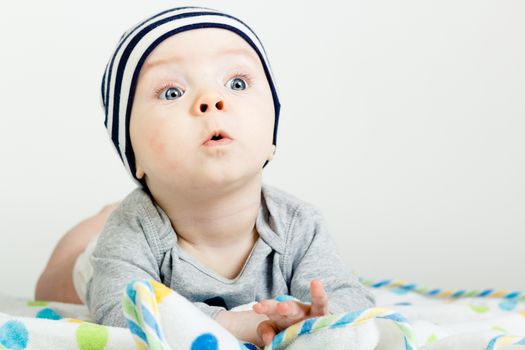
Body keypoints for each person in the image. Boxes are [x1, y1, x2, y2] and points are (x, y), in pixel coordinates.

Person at [35, 6, 375, 347]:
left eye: (237, 83)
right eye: (172, 92)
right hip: (95, 264)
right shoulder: (130, 231)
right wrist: (235, 324)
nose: (212, 100)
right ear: (133, 155)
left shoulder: (299, 226)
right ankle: (100, 218)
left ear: (271, 140)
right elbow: (121, 312)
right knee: (52, 285)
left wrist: (316, 315)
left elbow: (350, 298)